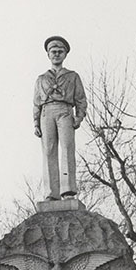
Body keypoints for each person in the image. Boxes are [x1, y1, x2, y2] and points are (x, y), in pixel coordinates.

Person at [33, 35, 87, 200]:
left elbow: (81, 99)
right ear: (48, 55)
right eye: (53, 51)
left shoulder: (72, 76)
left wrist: (79, 116)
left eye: (60, 51)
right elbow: (36, 102)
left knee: (67, 148)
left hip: (65, 111)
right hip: (46, 113)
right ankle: (51, 193)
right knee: (48, 151)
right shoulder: (41, 79)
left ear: (65, 54)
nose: (56, 54)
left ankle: (68, 190)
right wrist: (36, 122)